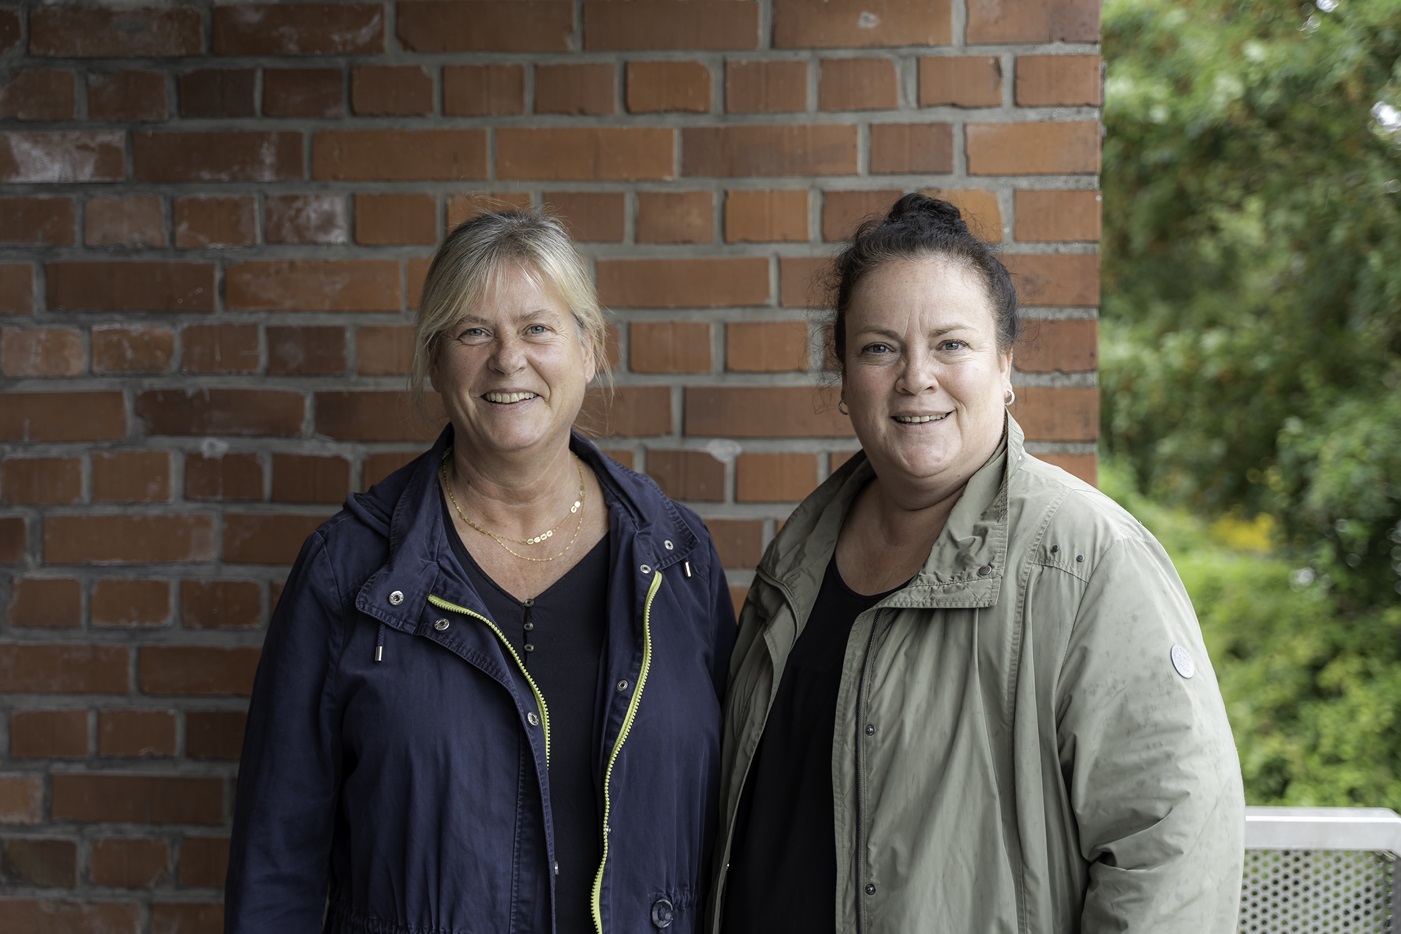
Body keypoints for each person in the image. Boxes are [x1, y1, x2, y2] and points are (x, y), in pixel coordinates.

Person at [708, 193, 1244, 933]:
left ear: (1005, 366)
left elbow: (1172, 854)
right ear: (842, 377)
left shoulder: (1084, 563)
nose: (914, 377)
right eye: (878, 347)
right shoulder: (796, 560)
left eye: (950, 345)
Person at [226, 207, 737, 934]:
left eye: (537, 328)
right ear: (435, 359)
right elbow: (276, 860)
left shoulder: (676, 559)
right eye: (473, 331)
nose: (507, 359)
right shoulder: (348, 572)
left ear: (589, 349)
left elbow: (733, 838)